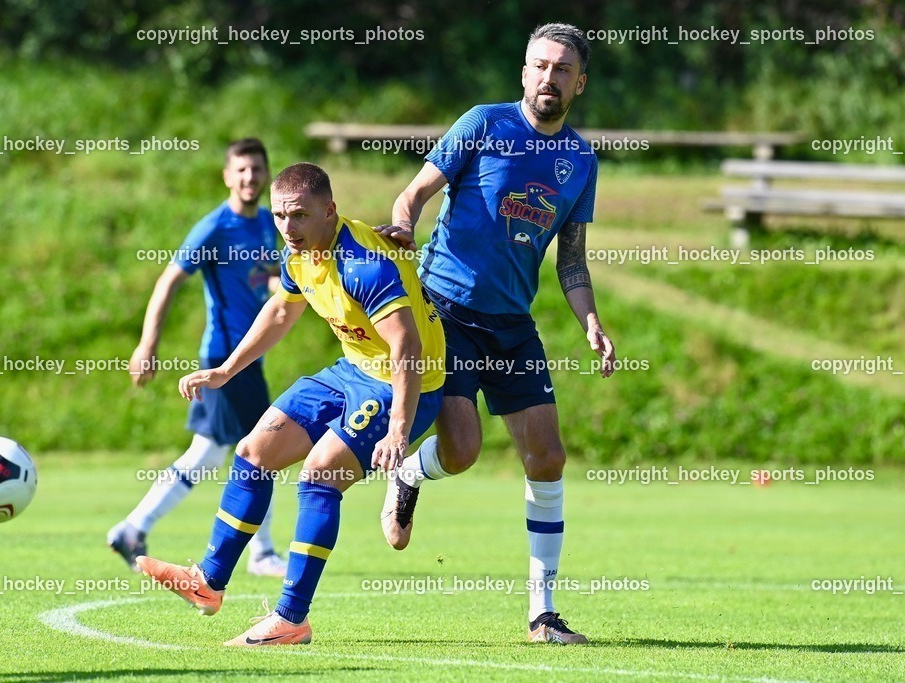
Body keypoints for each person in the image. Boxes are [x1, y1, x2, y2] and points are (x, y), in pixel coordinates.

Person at [135, 162, 445, 647]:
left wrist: (398, 431)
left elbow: (407, 348)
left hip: (405, 382)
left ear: (329, 210)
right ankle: (207, 582)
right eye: (280, 215)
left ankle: (290, 619)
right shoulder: (299, 253)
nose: (287, 226)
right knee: (253, 451)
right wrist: (226, 370)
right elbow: (281, 309)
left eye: (299, 215)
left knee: (320, 475)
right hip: (353, 369)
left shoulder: (363, 263)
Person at [377, 23, 616, 645]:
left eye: (562, 69)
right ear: (524, 71)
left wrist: (590, 320)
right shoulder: (484, 122)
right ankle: (409, 476)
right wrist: (404, 226)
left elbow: (571, 259)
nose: (548, 77)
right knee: (462, 450)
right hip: (446, 310)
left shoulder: (581, 161)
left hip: (512, 324)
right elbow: (413, 194)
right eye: (540, 65)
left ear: (580, 83)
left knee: (549, 457)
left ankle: (543, 614)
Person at [107, 138, 286, 578]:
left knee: (207, 455)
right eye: (241, 170)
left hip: (246, 357)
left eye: (256, 169)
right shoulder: (214, 228)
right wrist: (147, 344)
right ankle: (262, 552)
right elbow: (168, 281)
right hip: (226, 357)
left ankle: (132, 529)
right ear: (227, 176)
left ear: (266, 174)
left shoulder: (269, 223)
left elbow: (267, 278)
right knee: (265, 448)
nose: (249, 177)